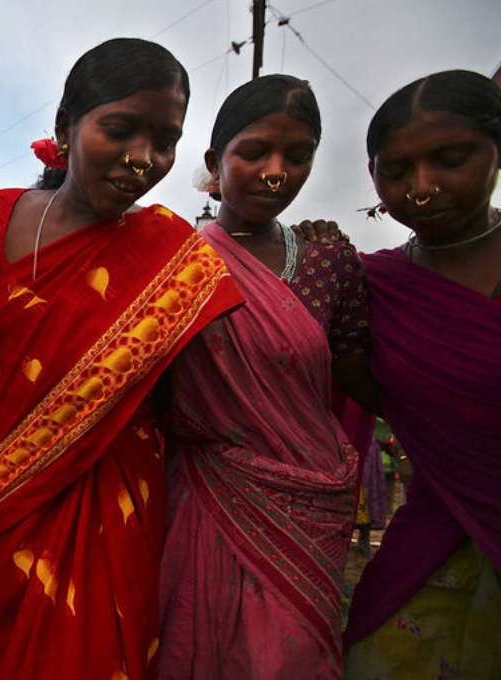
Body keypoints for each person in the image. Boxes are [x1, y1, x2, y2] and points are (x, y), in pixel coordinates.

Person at [0, 38, 241, 680]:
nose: (143, 159)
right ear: (65, 127)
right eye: (119, 130)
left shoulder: (174, 250)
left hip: (119, 498)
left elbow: (206, 395)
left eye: (165, 140)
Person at [156, 75, 370, 679]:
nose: (276, 173)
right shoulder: (175, 261)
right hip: (209, 500)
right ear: (214, 160)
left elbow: (363, 379)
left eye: (297, 157)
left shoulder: (329, 259)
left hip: (311, 502)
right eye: (254, 153)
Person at [344, 70, 501, 679]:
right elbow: (363, 391)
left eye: (451, 158)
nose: (423, 187)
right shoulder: (372, 286)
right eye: (397, 170)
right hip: (432, 546)